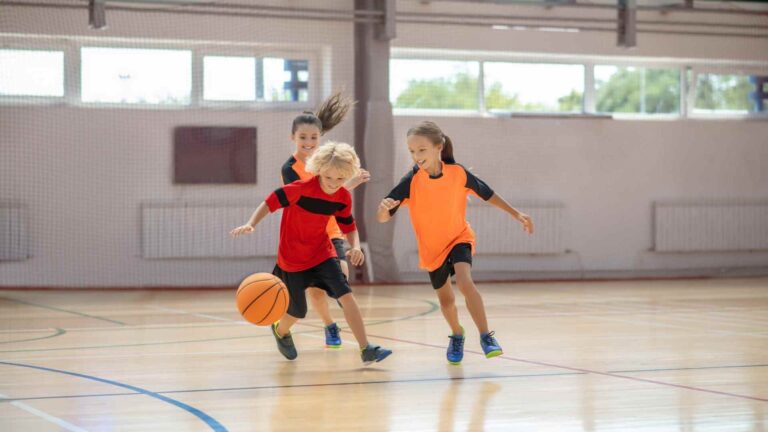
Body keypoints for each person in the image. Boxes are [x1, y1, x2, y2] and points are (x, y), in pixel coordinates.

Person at [377, 121, 533, 365]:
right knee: (446, 301)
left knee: (465, 281)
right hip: (432, 249)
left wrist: (517, 214)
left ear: (438, 147)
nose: (416, 156)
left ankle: (486, 336)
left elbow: (488, 193)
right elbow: (384, 216)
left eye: (421, 149)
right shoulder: (412, 181)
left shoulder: (458, 174)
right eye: (412, 151)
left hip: (459, 237)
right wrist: (383, 209)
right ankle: (457, 334)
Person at [231, 142, 391, 364]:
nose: (334, 184)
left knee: (347, 296)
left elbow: (348, 225)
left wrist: (354, 246)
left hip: (322, 254)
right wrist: (251, 223)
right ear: (319, 170)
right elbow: (269, 202)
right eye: (329, 178)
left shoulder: (343, 196)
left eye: (340, 179)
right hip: (292, 260)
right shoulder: (299, 189)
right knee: (297, 312)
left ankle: (366, 349)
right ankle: (281, 331)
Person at [281, 92, 370, 348]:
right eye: (303, 138)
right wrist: (348, 185)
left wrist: (345, 181)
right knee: (316, 293)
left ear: (321, 138)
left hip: (329, 231)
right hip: (303, 235)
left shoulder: (327, 162)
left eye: (313, 137)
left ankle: (359, 340)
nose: (308, 142)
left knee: (341, 277)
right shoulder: (290, 169)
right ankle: (330, 326)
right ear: (293, 138)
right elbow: (311, 199)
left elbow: (332, 196)